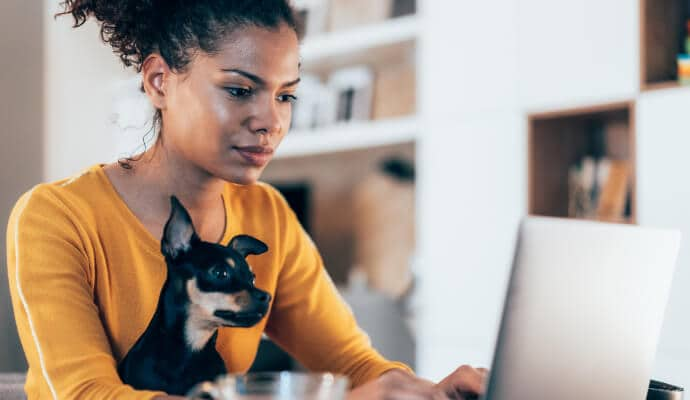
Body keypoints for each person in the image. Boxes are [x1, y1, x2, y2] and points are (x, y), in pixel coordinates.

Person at [6, 1, 487, 399]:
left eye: (286, 96)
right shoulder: (56, 218)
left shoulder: (268, 215)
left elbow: (353, 365)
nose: (270, 121)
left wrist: (429, 391)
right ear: (158, 82)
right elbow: (85, 395)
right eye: (239, 90)